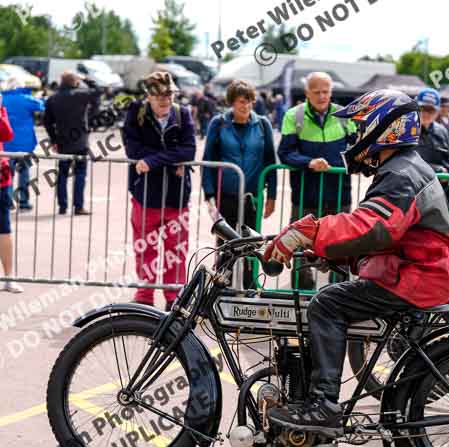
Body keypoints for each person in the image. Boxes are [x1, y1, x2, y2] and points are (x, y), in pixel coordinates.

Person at [263, 90, 449, 436]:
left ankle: (323, 405)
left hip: (419, 276)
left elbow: (374, 226)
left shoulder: (402, 173)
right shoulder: (401, 167)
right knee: (331, 298)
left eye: (361, 126)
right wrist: (327, 251)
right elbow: (383, 235)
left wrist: (307, 231)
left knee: (326, 304)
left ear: (385, 127)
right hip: (413, 269)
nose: (356, 135)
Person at [122, 71, 197, 310]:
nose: (165, 99)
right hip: (145, 195)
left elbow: (189, 150)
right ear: (148, 96)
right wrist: (169, 160)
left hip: (176, 196)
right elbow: (133, 150)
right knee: (145, 247)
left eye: (169, 94)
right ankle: (145, 295)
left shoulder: (182, 113)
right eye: (159, 95)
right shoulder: (136, 112)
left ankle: (173, 297)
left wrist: (153, 161)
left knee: (176, 249)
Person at [278, 72, 356, 290]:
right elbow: (285, 152)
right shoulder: (294, 115)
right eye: (317, 92)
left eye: (326, 91)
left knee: (341, 247)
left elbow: (356, 148)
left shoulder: (344, 115)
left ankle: (338, 293)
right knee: (300, 247)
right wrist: (309, 162)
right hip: (306, 195)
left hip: (339, 194)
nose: (322, 96)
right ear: (307, 93)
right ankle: (301, 294)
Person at [202, 80, 277, 289]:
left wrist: (272, 196)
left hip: (252, 196)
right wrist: (208, 195)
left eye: (249, 101)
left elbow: (271, 161)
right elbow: (208, 160)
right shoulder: (219, 124)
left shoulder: (262, 124)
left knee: (251, 244)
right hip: (225, 195)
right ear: (232, 103)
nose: (245, 106)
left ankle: (249, 286)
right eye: (240, 102)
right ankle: (221, 288)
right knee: (225, 244)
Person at [43, 71, 101, 215]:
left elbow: (47, 122)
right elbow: (98, 91)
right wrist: (86, 78)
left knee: (62, 174)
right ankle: (78, 206)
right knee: (80, 174)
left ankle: (62, 206)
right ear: (75, 82)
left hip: (63, 142)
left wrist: (54, 140)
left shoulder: (53, 98)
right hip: (80, 140)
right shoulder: (81, 95)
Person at [1, 80, 44, 211]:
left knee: (7, 174)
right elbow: (41, 106)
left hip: (7, 142)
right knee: (24, 173)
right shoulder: (26, 98)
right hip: (25, 143)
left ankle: (7, 202)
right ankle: (23, 201)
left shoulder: (4, 99)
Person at [414, 88, 449, 212]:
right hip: (411, 197)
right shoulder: (404, 130)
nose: (426, 113)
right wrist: (435, 170)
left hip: (438, 197)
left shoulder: (442, 132)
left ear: (437, 111)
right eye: (423, 108)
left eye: (430, 110)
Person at [0, 91, 23, 293]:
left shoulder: (2, 108)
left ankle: (8, 277)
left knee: (4, 229)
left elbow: (7, 134)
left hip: (1, 178)